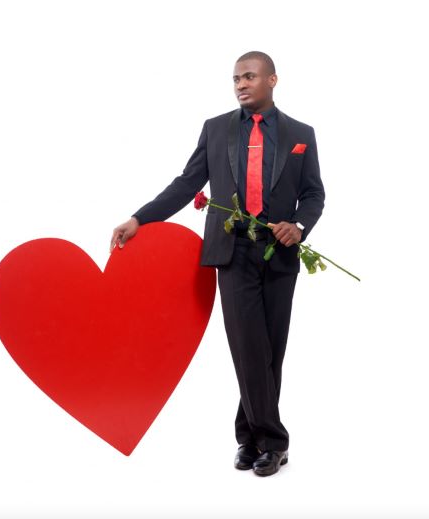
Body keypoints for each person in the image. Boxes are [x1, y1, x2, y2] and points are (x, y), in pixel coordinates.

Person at [109, 51, 324, 477]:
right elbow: (187, 183)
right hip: (233, 252)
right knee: (248, 346)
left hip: (278, 254)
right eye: (235, 79)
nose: (241, 84)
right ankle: (275, 442)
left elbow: (314, 194)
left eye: (249, 77)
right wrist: (140, 217)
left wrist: (298, 226)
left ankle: (249, 436)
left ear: (272, 80)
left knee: (271, 350)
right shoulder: (216, 129)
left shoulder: (302, 133)